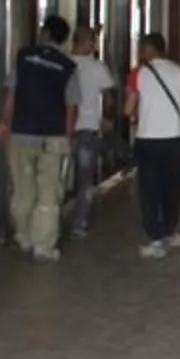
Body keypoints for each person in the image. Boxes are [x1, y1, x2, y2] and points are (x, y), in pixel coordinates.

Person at [0, 14, 77, 261]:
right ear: (63, 40)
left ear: (43, 33)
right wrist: (67, 135)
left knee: (22, 188)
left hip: (21, 132)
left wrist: (3, 123)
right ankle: (43, 245)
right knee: (48, 193)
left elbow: (11, 94)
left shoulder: (23, 58)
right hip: (52, 136)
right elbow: (71, 106)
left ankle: (23, 235)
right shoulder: (67, 66)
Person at [130, 30, 180, 260]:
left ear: (149, 49)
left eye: (142, 48)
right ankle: (170, 230)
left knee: (149, 191)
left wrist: (133, 113)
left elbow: (127, 108)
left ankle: (155, 237)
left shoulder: (137, 74)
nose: (140, 53)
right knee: (172, 187)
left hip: (147, 139)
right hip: (174, 139)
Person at [65, 24, 117, 236]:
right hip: (88, 127)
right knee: (85, 180)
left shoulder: (63, 64)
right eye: (93, 41)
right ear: (86, 42)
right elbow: (110, 96)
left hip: (62, 128)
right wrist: (107, 118)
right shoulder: (98, 68)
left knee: (58, 177)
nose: (94, 45)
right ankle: (79, 222)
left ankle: (51, 219)